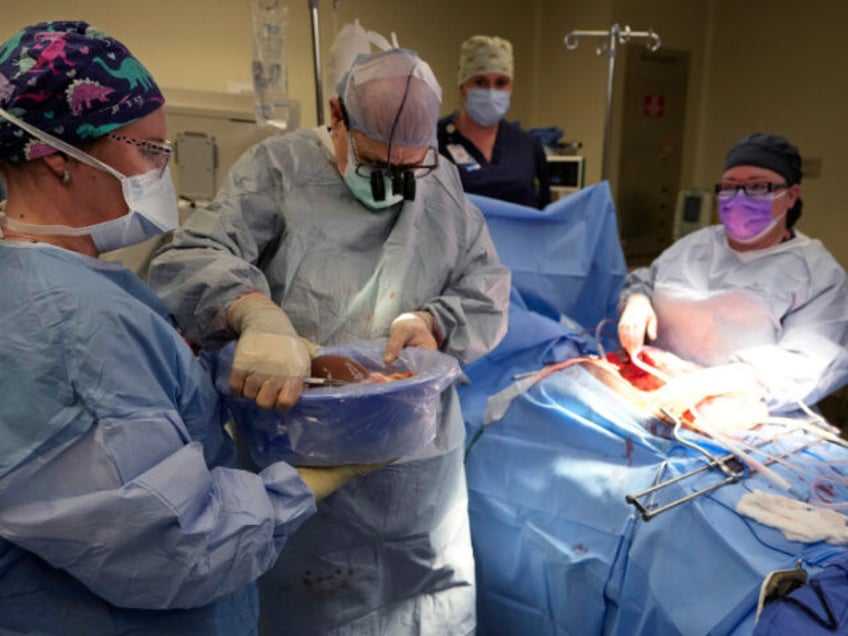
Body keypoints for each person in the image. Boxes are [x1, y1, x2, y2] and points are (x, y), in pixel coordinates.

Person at [0, 21, 378, 636]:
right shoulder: (68, 323)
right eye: (148, 150)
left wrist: (224, 365)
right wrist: (306, 484)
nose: (161, 171)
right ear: (56, 157)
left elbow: (125, 412)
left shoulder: (57, 285)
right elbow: (176, 548)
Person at [148, 43, 510, 634]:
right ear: (337, 118)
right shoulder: (278, 169)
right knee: (311, 608)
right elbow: (192, 257)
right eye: (376, 165)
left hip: (416, 462)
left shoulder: (440, 179)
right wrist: (256, 313)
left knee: (428, 608)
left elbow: (486, 285)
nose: (395, 185)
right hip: (304, 455)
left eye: (408, 170)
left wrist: (435, 321)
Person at [617, 133, 848, 416]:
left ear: (791, 195)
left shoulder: (816, 274)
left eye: (757, 186)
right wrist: (638, 299)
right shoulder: (695, 245)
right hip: (654, 389)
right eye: (729, 187)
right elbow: (648, 279)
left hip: (745, 413)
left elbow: (811, 361)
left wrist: (714, 382)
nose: (740, 198)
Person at [437, 35, 551, 209]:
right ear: (462, 87)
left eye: (501, 82)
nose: (491, 92)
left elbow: (543, 213)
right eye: (480, 82)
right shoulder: (434, 141)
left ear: (511, 87)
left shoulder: (527, 146)